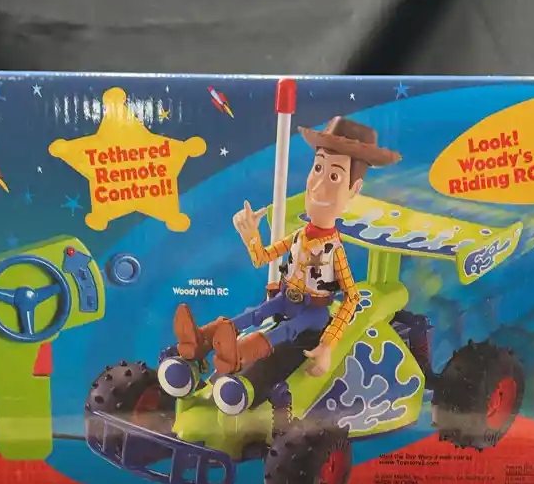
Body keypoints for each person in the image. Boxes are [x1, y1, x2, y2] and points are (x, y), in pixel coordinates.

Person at [172, 115, 401, 378]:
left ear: (354, 189)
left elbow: (353, 297)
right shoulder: (299, 236)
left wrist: (328, 344)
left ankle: (238, 357)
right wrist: (251, 235)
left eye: (334, 176)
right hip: (285, 297)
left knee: (286, 330)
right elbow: (262, 258)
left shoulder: (334, 251)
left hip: (314, 312)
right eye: (318, 168)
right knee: (255, 313)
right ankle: (201, 340)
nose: (319, 185)